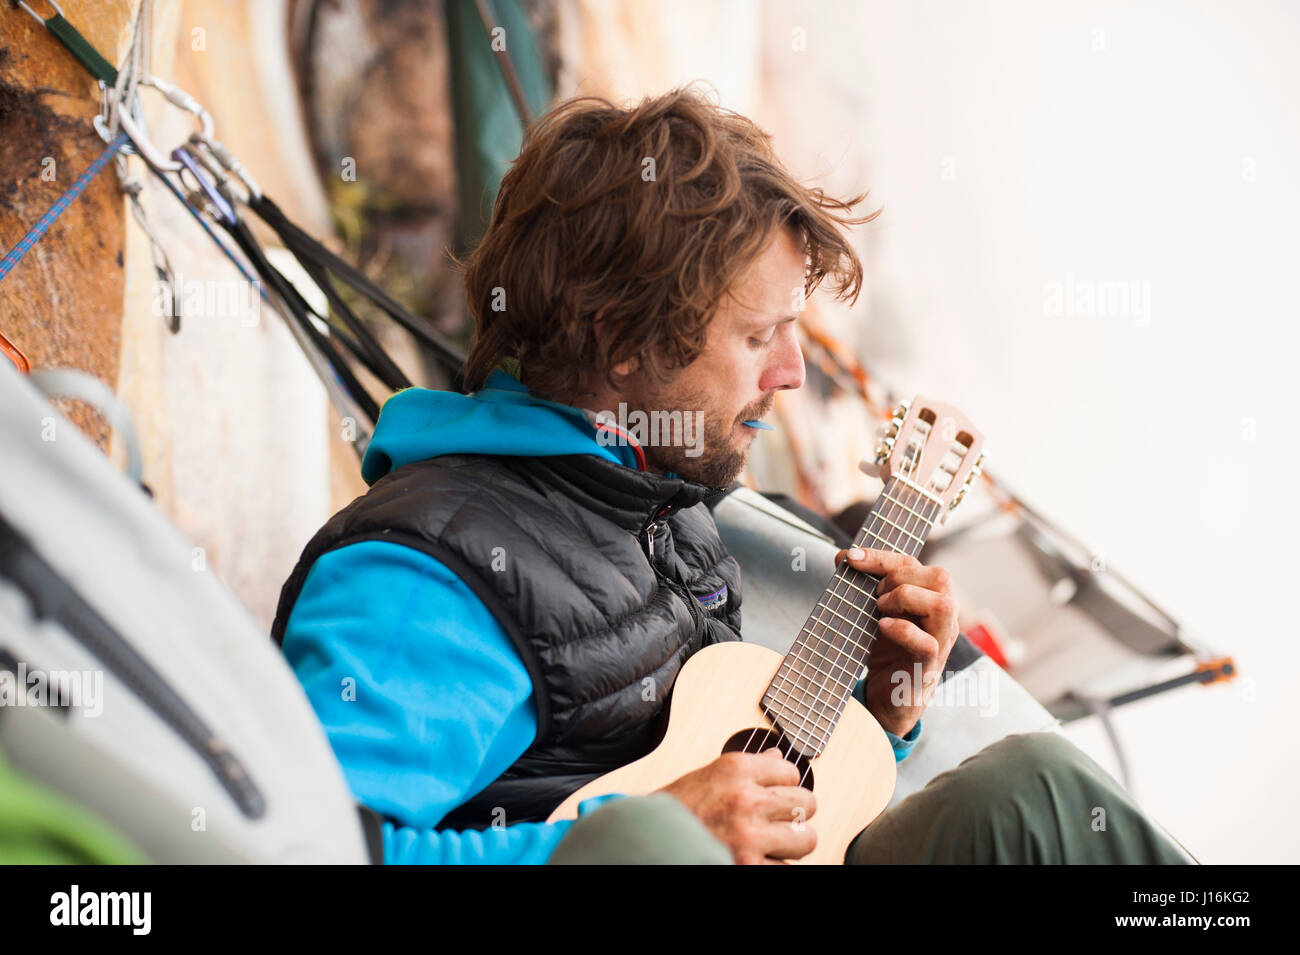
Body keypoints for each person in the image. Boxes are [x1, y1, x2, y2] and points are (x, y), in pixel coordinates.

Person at [274, 86, 1195, 865]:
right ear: (622, 339)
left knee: (1035, 786)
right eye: (760, 336)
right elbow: (300, 842)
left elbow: (721, 760)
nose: (791, 373)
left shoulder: (658, 494)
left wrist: (881, 712)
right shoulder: (428, 573)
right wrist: (632, 837)